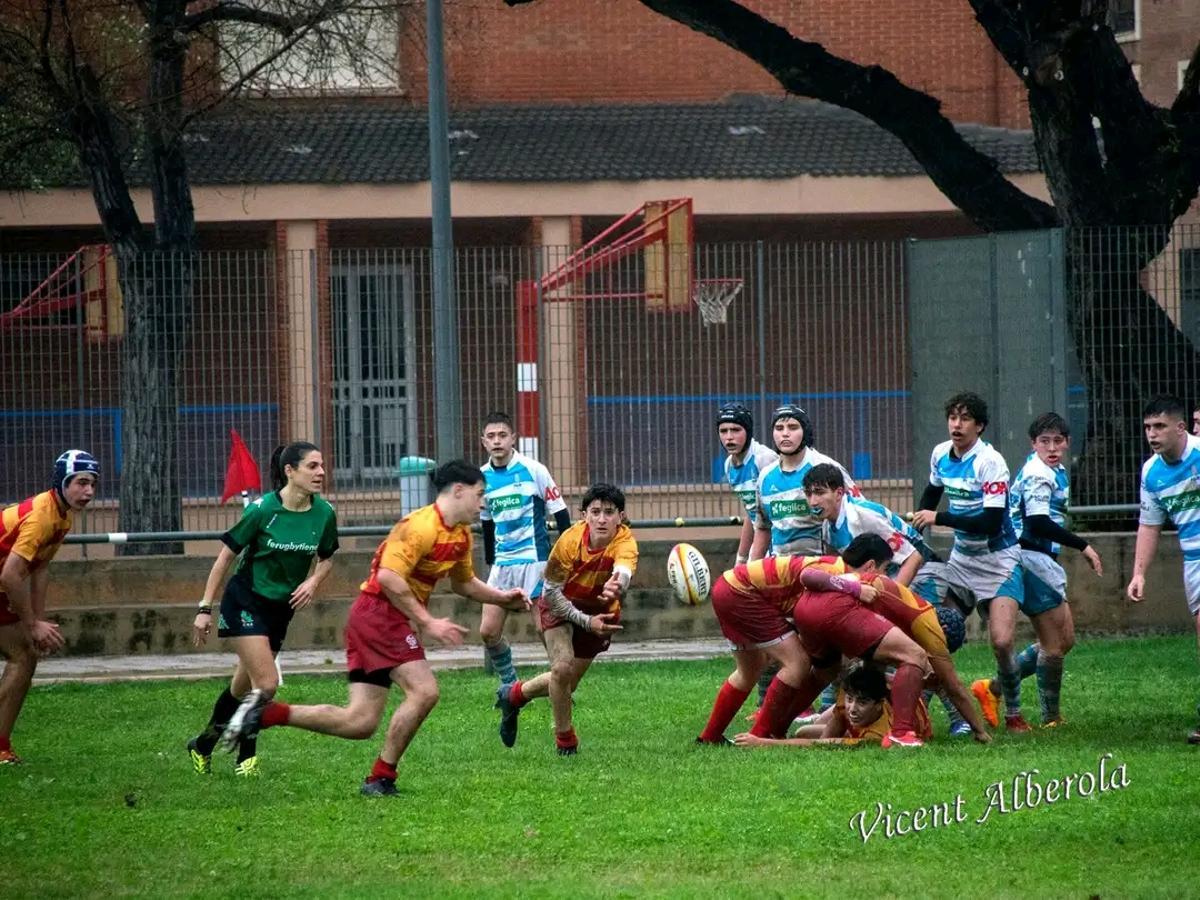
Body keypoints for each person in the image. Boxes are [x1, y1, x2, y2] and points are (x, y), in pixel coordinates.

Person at [221, 460, 529, 795]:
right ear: (458, 491)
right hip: (378, 615)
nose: (483, 502)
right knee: (425, 692)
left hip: (380, 619)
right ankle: (382, 777)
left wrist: (502, 598)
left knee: (360, 722)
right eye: (479, 494)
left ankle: (267, 714)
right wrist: (426, 621)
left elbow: (464, 583)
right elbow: (387, 577)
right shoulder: (418, 526)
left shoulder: (459, 535)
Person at [187, 442, 338, 777]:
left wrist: (313, 582)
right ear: (290, 471)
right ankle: (246, 760)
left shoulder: (324, 513)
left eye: (322, 466)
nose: (321, 473)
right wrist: (204, 607)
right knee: (266, 684)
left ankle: (203, 744)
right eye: (312, 466)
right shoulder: (261, 510)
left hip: (280, 609)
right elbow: (224, 559)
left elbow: (327, 557)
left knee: (242, 687)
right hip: (245, 600)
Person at [971, 413, 1103, 729]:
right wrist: (1083, 546)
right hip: (1030, 559)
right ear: (1034, 444)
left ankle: (993, 688)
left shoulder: (1051, 470)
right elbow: (1037, 522)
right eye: (1045, 441)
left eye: (1058, 440)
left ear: (1068, 442)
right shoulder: (1038, 474)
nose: (1052, 447)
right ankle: (1051, 718)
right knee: (1056, 643)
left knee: (1063, 639)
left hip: (1029, 558)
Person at [911, 392, 1031, 732]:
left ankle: (1012, 712)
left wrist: (940, 518)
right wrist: (921, 527)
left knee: (1002, 641)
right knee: (937, 635)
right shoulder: (940, 454)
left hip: (1000, 560)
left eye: (965, 419)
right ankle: (925, 710)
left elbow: (991, 522)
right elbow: (932, 494)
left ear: (979, 426)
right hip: (962, 561)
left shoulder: (990, 462)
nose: (956, 424)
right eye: (952, 417)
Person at [494, 483, 637, 755]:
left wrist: (618, 584)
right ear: (584, 515)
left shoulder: (625, 541)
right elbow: (551, 594)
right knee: (561, 669)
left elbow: (624, 569)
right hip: (559, 606)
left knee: (566, 685)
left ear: (620, 516)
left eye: (609, 512)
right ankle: (566, 743)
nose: (602, 519)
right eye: (595, 512)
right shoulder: (570, 541)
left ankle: (513, 696)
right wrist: (585, 621)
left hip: (599, 612)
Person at [752, 404, 857, 711]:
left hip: (823, 572)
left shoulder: (825, 468)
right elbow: (763, 528)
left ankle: (830, 709)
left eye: (792, 427)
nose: (785, 434)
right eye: (779, 428)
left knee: (831, 646)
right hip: (781, 575)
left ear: (805, 431)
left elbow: (851, 515)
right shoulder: (766, 478)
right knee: (776, 647)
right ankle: (769, 710)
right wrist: (750, 571)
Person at [838, 535, 991, 742]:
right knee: (916, 665)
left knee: (910, 669)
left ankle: (946, 721)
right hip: (829, 609)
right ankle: (905, 731)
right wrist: (981, 731)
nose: (886, 575)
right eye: (885, 569)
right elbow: (953, 686)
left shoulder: (902, 614)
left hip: (833, 608)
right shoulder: (917, 622)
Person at [694, 552, 853, 746]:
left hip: (727, 587)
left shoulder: (836, 568)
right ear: (870, 565)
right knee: (797, 663)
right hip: (742, 593)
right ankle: (760, 737)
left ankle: (710, 737)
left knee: (749, 671)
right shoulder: (836, 574)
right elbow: (809, 609)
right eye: (884, 568)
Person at [0, 450, 96, 764]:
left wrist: (39, 622)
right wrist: (31, 625)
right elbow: (11, 574)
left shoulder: (62, 514)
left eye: (92, 484)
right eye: (81, 482)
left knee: (25, 655)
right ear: (62, 482)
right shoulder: (42, 515)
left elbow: (40, 568)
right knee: (22, 654)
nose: (89, 491)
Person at [1126, 395, 1200, 743]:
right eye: (1147, 428)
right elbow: (1149, 525)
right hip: (1194, 560)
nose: (1152, 434)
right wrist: (1139, 572)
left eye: (1160, 426)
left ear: (1181, 427)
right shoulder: (1151, 472)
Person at [478, 411, 571, 688]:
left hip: (535, 561)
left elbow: (562, 514)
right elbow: (486, 524)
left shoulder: (534, 470)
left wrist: (566, 561)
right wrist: (492, 561)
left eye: (502, 435)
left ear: (513, 439)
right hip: (503, 565)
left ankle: (563, 685)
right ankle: (509, 685)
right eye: (491, 436)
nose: (497, 441)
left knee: (545, 630)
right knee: (488, 632)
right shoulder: (480, 478)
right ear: (483, 442)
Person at [732, 664, 931, 748]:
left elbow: (820, 745)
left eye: (862, 703)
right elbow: (823, 740)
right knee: (802, 731)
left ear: (879, 705)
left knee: (817, 740)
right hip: (881, 694)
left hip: (888, 721)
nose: (852, 707)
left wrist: (763, 743)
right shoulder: (849, 697)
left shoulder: (876, 737)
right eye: (850, 699)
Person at [715, 402, 777, 566]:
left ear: (748, 431)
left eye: (735, 430)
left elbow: (771, 517)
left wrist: (754, 560)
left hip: (781, 544)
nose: (729, 437)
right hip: (760, 542)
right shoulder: (729, 466)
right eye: (723, 431)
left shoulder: (764, 459)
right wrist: (741, 559)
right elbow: (752, 514)